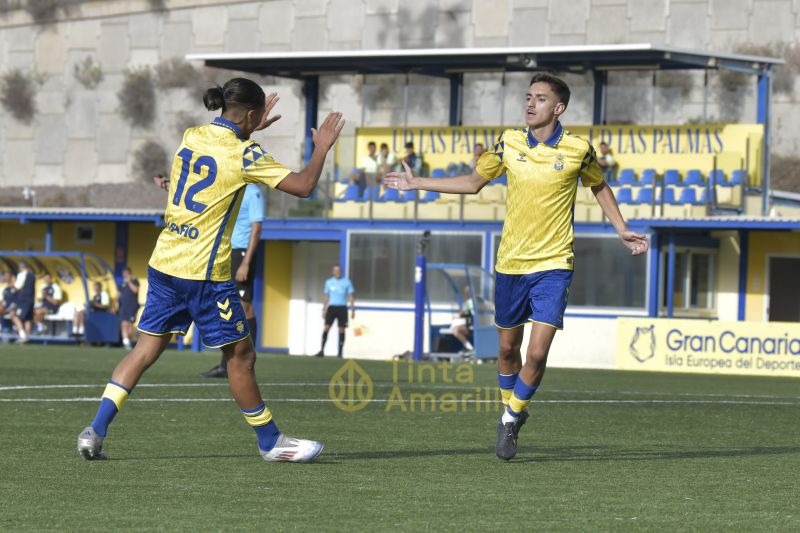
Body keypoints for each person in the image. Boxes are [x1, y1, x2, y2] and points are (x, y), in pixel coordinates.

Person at [77, 77, 344, 463]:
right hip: (203, 273)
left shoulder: (192, 134)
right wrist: (320, 149)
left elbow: (220, 154)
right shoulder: (245, 154)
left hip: (165, 261)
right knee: (242, 357)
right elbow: (303, 185)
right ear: (252, 115)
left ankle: (94, 430)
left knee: (145, 350)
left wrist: (248, 128)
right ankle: (271, 442)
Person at [385, 73, 648, 461]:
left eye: (540, 98)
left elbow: (599, 185)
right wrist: (417, 183)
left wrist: (621, 228)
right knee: (508, 350)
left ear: (558, 108)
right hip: (511, 263)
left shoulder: (578, 149)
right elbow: (474, 182)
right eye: (528, 96)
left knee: (537, 354)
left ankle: (510, 419)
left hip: (555, 264)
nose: (530, 103)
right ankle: (510, 408)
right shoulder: (508, 142)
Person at [200, 183, 264, 378]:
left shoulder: (253, 192)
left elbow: (256, 229)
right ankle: (226, 364)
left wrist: (246, 262)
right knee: (226, 307)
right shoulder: (233, 187)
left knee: (245, 308)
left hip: (242, 254)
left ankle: (246, 362)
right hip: (226, 253)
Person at [315, 264, 355, 358]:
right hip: (332, 308)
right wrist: (324, 309)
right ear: (332, 272)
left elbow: (350, 296)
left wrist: (353, 309)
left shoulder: (347, 282)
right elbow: (326, 296)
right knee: (326, 328)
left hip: (342, 308)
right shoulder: (328, 282)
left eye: (338, 270)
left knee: (341, 329)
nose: (337, 272)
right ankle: (322, 350)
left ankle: (340, 352)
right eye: (335, 270)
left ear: (341, 271)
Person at [10, 261, 35, 344]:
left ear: (21, 267)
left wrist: (13, 283)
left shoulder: (21, 275)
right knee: (28, 318)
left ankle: (23, 336)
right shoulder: (32, 275)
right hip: (31, 300)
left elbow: (17, 287)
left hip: (23, 299)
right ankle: (27, 337)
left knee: (14, 316)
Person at [117, 267, 140, 349]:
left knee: (130, 326)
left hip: (132, 307)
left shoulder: (134, 281)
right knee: (124, 324)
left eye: (126, 273)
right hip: (123, 307)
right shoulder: (122, 284)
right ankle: (125, 342)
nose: (124, 275)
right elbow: (118, 295)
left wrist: (129, 282)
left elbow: (135, 290)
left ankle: (128, 340)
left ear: (129, 273)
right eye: (123, 273)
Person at [448, 285, 474, 353]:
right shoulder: (469, 302)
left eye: (467, 292)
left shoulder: (470, 302)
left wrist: (457, 316)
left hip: (471, 325)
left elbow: (462, 313)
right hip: (469, 323)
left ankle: (470, 348)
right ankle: (469, 347)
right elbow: (462, 313)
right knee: (455, 330)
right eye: (465, 292)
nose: (466, 294)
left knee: (456, 330)